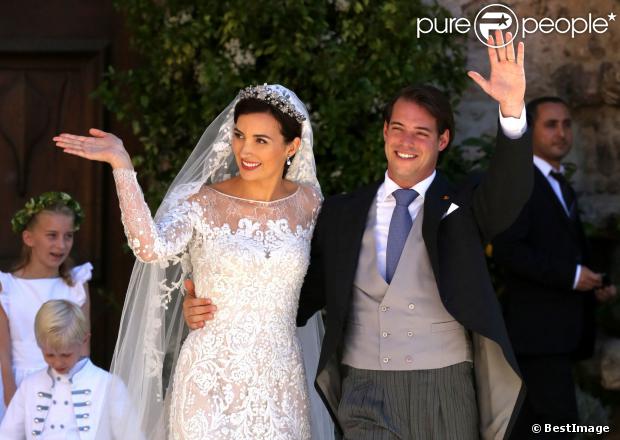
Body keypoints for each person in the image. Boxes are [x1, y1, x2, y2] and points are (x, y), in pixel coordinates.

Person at [184, 30, 530, 439]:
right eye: (397, 128)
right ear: (384, 132)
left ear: (443, 140)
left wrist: (511, 111)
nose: (406, 141)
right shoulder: (341, 213)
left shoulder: (465, 206)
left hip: (444, 389)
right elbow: (290, 292)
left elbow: (509, 193)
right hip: (363, 393)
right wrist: (208, 304)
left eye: (421, 133)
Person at [53, 84, 334, 439]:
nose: (245, 149)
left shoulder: (310, 203)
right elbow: (150, 247)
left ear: (292, 147)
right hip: (209, 375)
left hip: (280, 378)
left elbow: (324, 282)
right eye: (239, 135)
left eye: (261, 140)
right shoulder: (202, 202)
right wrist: (121, 165)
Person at [492, 96, 617, 439]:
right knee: (558, 425)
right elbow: (508, 251)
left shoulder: (559, 182)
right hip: (537, 335)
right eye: (551, 124)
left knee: (537, 429)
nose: (561, 133)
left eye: (566, 124)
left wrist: (593, 283)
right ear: (530, 130)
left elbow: (562, 247)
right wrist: (573, 276)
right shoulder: (520, 182)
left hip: (558, 336)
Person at [0, 192, 92, 421]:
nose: (61, 245)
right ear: (29, 238)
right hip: (17, 384)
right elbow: (3, 351)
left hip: (65, 384)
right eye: (52, 235)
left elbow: (82, 349)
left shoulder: (76, 285)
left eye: (68, 236)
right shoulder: (7, 287)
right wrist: (11, 397)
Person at [0, 299, 141, 439]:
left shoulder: (109, 385)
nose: (58, 362)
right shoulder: (30, 385)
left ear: (84, 341)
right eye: (49, 355)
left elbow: (131, 435)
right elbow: (7, 435)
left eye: (65, 355)